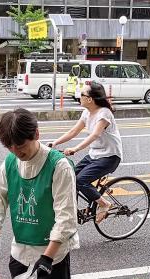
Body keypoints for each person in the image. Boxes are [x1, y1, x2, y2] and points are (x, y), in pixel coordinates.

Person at [0, 109, 79, 279]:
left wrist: (48, 257)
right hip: (20, 253)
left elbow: (66, 218)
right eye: (10, 147)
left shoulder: (59, 166)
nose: (17, 152)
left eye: (20, 145)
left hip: (52, 257)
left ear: (36, 134)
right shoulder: (10, 162)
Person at [49, 82, 123, 223]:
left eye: (81, 94)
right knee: (70, 176)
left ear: (90, 99)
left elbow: (94, 135)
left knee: (81, 180)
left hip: (110, 157)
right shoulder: (86, 113)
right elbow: (73, 131)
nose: (79, 97)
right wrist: (55, 143)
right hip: (95, 155)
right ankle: (73, 209)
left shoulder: (104, 113)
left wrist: (75, 149)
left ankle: (104, 204)